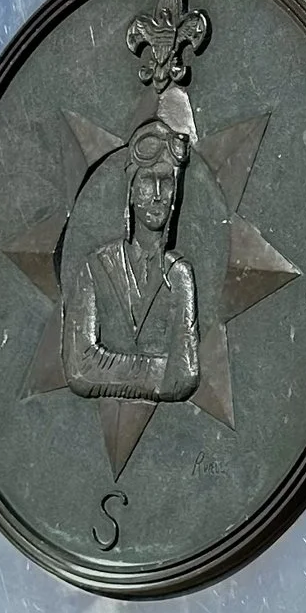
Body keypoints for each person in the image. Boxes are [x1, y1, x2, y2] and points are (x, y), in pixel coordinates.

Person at [61, 118, 201, 402]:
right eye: (148, 182)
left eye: (167, 182)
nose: (158, 195)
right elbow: (79, 369)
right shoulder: (95, 267)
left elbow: (183, 376)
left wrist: (107, 367)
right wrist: (160, 371)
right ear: (132, 192)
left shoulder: (179, 275)